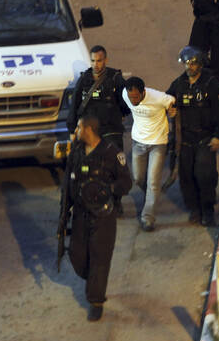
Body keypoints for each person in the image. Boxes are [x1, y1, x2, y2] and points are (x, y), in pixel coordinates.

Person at [60, 115, 132, 321]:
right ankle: (93, 279)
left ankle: (96, 300)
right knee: (77, 256)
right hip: (81, 215)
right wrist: (65, 214)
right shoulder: (77, 153)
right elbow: (68, 185)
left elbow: (126, 183)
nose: (76, 131)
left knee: (100, 258)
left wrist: (106, 190)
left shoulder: (112, 153)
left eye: (79, 127)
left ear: (89, 130)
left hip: (103, 215)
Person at [166, 46, 219, 227]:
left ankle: (208, 210)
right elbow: (166, 99)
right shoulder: (179, 84)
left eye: (193, 63)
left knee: (204, 174)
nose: (190, 67)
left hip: (205, 138)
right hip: (184, 140)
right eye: (187, 63)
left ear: (200, 64)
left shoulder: (211, 84)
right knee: (186, 176)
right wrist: (169, 108)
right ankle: (194, 208)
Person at [67, 45, 129, 214]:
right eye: (93, 60)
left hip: (112, 131)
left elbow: (126, 103)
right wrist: (73, 130)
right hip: (91, 134)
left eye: (99, 60)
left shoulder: (115, 78)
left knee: (114, 168)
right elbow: (75, 107)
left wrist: (121, 114)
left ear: (105, 60)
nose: (96, 64)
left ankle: (116, 202)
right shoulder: (84, 79)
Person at [121, 76, 176, 232]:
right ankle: (151, 196)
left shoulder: (158, 97)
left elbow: (172, 101)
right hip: (138, 142)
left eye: (136, 97)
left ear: (143, 92)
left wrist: (172, 110)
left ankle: (148, 218)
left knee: (153, 182)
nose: (133, 100)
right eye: (131, 97)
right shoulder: (125, 95)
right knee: (138, 178)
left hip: (158, 143)